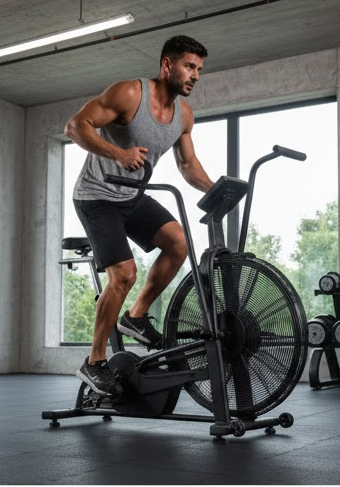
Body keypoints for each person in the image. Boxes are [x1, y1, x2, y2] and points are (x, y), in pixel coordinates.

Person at [64, 35, 215, 396]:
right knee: (124, 275)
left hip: (132, 196)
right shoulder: (129, 94)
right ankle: (94, 362)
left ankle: (134, 317)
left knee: (178, 243)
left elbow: (188, 164)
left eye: (199, 69)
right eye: (189, 66)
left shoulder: (183, 115)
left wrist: (214, 190)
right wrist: (118, 154)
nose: (195, 75)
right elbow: (75, 127)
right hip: (97, 197)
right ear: (167, 65)